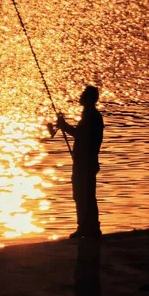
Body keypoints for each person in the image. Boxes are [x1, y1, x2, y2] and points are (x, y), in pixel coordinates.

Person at [57, 85, 104, 238]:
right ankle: (88, 227)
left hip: (86, 163)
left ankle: (87, 228)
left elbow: (81, 135)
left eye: (84, 95)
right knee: (84, 195)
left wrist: (64, 126)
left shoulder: (92, 117)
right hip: (84, 161)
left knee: (84, 195)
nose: (81, 96)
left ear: (89, 99)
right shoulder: (90, 115)